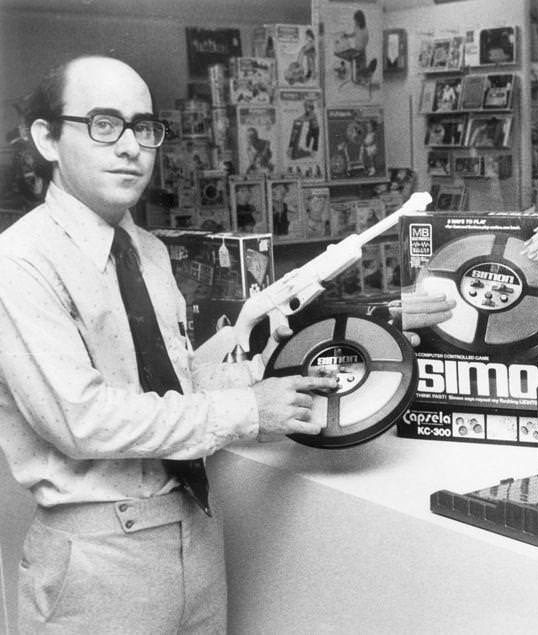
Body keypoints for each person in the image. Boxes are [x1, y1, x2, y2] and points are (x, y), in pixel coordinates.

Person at [0, 55, 338, 633]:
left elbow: (169, 383)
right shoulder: (19, 263)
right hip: (98, 559)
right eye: (104, 124)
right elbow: (82, 419)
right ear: (48, 139)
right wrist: (246, 411)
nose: (131, 146)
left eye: (145, 127)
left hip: (196, 530)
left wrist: (262, 372)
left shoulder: (150, 253)